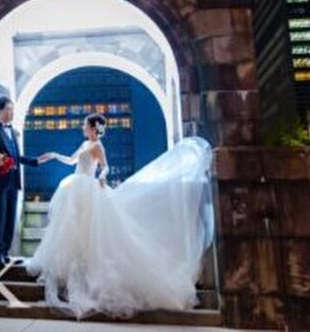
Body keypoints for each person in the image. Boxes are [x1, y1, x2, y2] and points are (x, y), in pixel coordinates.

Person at [26, 113, 214, 319]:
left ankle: (86, 270)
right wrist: (54, 155)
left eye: (85, 125)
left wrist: (103, 175)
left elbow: (105, 165)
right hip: (76, 185)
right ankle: (75, 267)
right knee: (73, 228)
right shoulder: (85, 144)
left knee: (89, 229)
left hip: (87, 187)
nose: (83, 128)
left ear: (93, 128)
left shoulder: (98, 146)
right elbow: (72, 161)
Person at [0, 96, 42, 266]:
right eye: (9, 109)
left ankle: (6, 252)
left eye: (13, 109)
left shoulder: (13, 131)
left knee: (10, 217)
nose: (12, 112)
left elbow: (16, 157)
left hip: (14, 180)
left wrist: (35, 161)